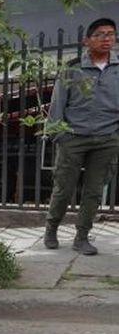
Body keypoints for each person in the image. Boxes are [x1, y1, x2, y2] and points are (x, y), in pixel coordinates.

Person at [44, 17, 119, 256]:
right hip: (73, 137)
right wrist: (59, 135)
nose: (107, 39)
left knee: (94, 190)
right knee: (64, 187)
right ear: (87, 40)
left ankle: (82, 236)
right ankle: (52, 228)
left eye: (110, 34)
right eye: (100, 34)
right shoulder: (72, 68)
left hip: (107, 138)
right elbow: (58, 103)